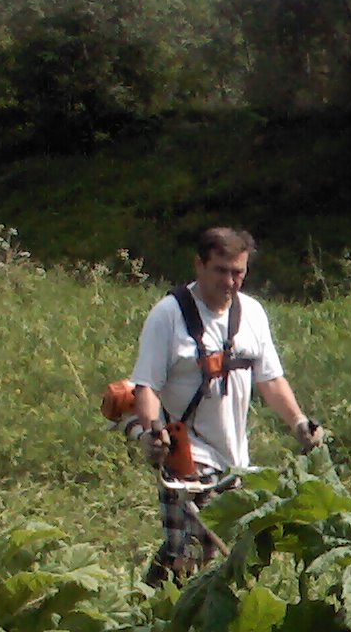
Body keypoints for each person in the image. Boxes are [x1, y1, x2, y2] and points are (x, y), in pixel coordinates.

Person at [121, 226, 325, 583]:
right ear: (199, 265)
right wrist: (153, 432)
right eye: (221, 270)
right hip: (186, 452)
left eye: (238, 272)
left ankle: (149, 600)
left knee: (194, 548)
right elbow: (147, 386)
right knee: (199, 549)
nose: (230, 281)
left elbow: (271, 379)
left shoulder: (253, 314)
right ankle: (169, 619)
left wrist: (299, 423)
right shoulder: (169, 315)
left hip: (234, 458)